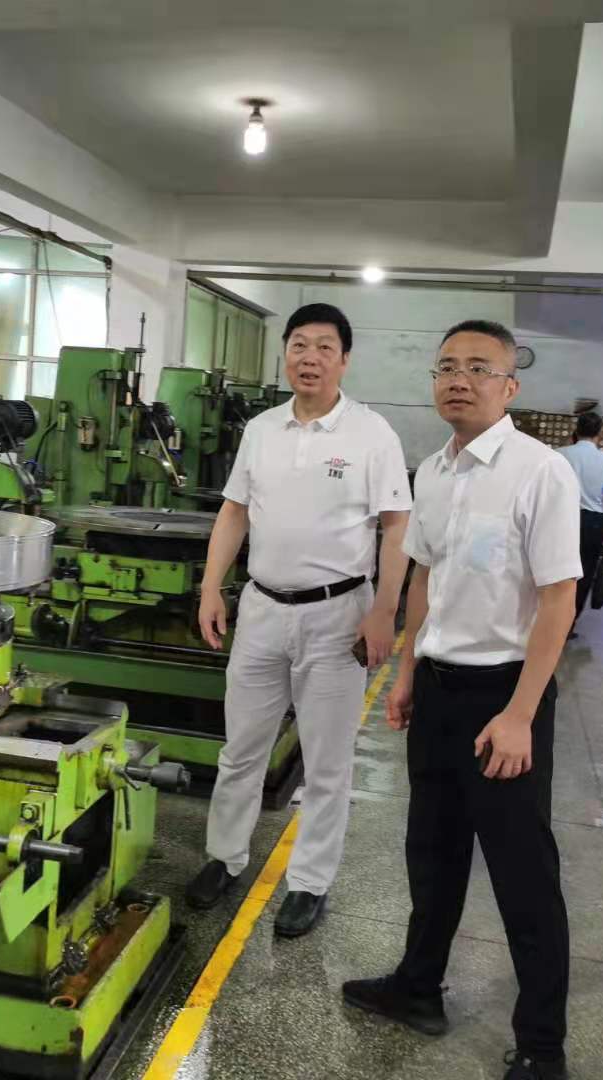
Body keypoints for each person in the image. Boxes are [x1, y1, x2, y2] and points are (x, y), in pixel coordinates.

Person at [342, 319, 581, 1080]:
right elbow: (425, 575)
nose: (459, 380)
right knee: (432, 853)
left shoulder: (541, 472)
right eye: (447, 366)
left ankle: (542, 1046)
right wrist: (408, 671)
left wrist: (520, 715)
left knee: (522, 875)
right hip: (440, 691)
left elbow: (559, 599)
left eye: (479, 368)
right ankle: (419, 987)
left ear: (510, 387)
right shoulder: (435, 472)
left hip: (504, 698)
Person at [187, 302, 412, 938]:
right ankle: (225, 857)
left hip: (338, 615)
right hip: (261, 609)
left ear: (344, 359)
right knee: (241, 749)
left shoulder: (371, 434)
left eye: (323, 347)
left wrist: (384, 612)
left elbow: (397, 526)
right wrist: (211, 588)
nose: (309, 358)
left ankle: (309, 883)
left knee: (326, 762)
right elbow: (235, 512)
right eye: (299, 345)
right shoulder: (262, 429)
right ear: (285, 352)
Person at [558, 411, 603, 634]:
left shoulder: (559, 455)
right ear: (599, 433)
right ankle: (567, 626)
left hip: (560, 519)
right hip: (592, 523)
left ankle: (546, 620)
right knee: (582, 574)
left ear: (576, 430)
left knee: (554, 570)